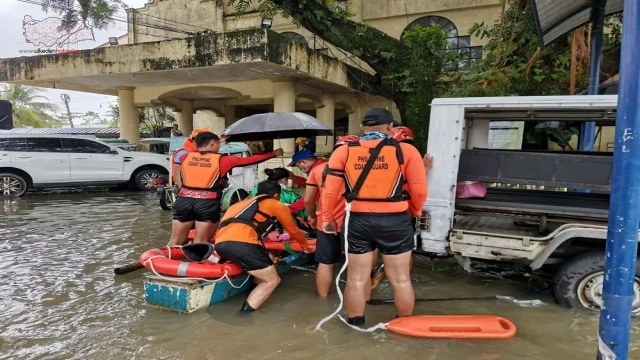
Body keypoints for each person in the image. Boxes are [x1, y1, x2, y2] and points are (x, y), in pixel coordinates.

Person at [322, 108, 427, 325]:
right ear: (391, 128)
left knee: (356, 278)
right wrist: (415, 211)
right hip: (395, 220)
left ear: (362, 127)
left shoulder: (343, 152)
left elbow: (330, 191)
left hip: (357, 221)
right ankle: (404, 325)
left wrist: (328, 217)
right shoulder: (406, 151)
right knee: (400, 279)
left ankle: (355, 324)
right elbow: (419, 189)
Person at [169, 132, 284, 246]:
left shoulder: (185, 156)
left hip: (183, 201)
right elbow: (252, 160)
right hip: (206, 203)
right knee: (200, 243)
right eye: (218, 144)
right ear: (213, 143)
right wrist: (274, 154)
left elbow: (190, 159)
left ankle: (165, 260)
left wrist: (216, 140)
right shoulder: (223, 160)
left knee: (175, 241)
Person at [215, 181, 314, 311]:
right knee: (272, 280)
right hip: (243, 245)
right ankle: (245, 315)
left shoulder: (239, 205)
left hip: (220, 244)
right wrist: (306, 246)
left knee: (264, 262)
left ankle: (255, 287)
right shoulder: (276, 204)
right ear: (277, 195)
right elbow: (293, 230)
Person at [305, 135, 359, 297]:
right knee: (359, 265)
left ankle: (323, 300)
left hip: (326, 222)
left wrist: (313, 217)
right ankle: (362, 302)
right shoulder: (364, 168)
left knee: (325, 262)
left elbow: (308, 200)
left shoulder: (318, 170)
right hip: (356, 222)